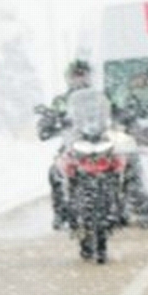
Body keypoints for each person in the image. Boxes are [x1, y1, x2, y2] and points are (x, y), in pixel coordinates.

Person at [38, 58, 94, 230]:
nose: (79, 79)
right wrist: (49, 121)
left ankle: (120, 204)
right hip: (72, 144)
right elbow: (50, 118)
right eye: (75, 75)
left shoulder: (99, 96)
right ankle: (61, 212)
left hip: (98, 142)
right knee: (55, 172)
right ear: (68, 78)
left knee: (121, 163)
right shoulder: (61, 100)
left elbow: (113, 110)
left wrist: (124, 115)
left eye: (82, 74)